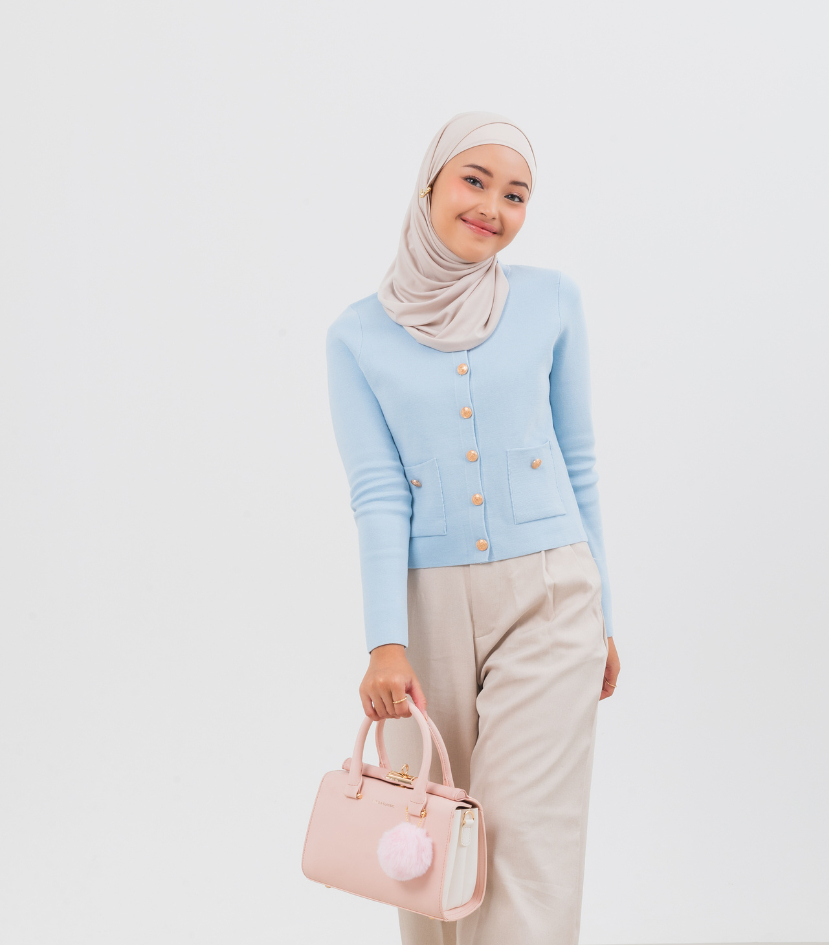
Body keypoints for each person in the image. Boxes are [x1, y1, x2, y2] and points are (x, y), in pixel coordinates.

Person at [325, 110, 621, 945]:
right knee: (429, 851)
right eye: (475, 180)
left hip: (551, 597)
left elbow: (579, 461)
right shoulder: (355, 336)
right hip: (426, 615)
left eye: (516, 193)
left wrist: (604, 617)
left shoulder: (551, 300)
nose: (493, 206)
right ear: (429, 185)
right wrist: (386, 641)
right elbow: (378, 492)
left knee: (527, 838)